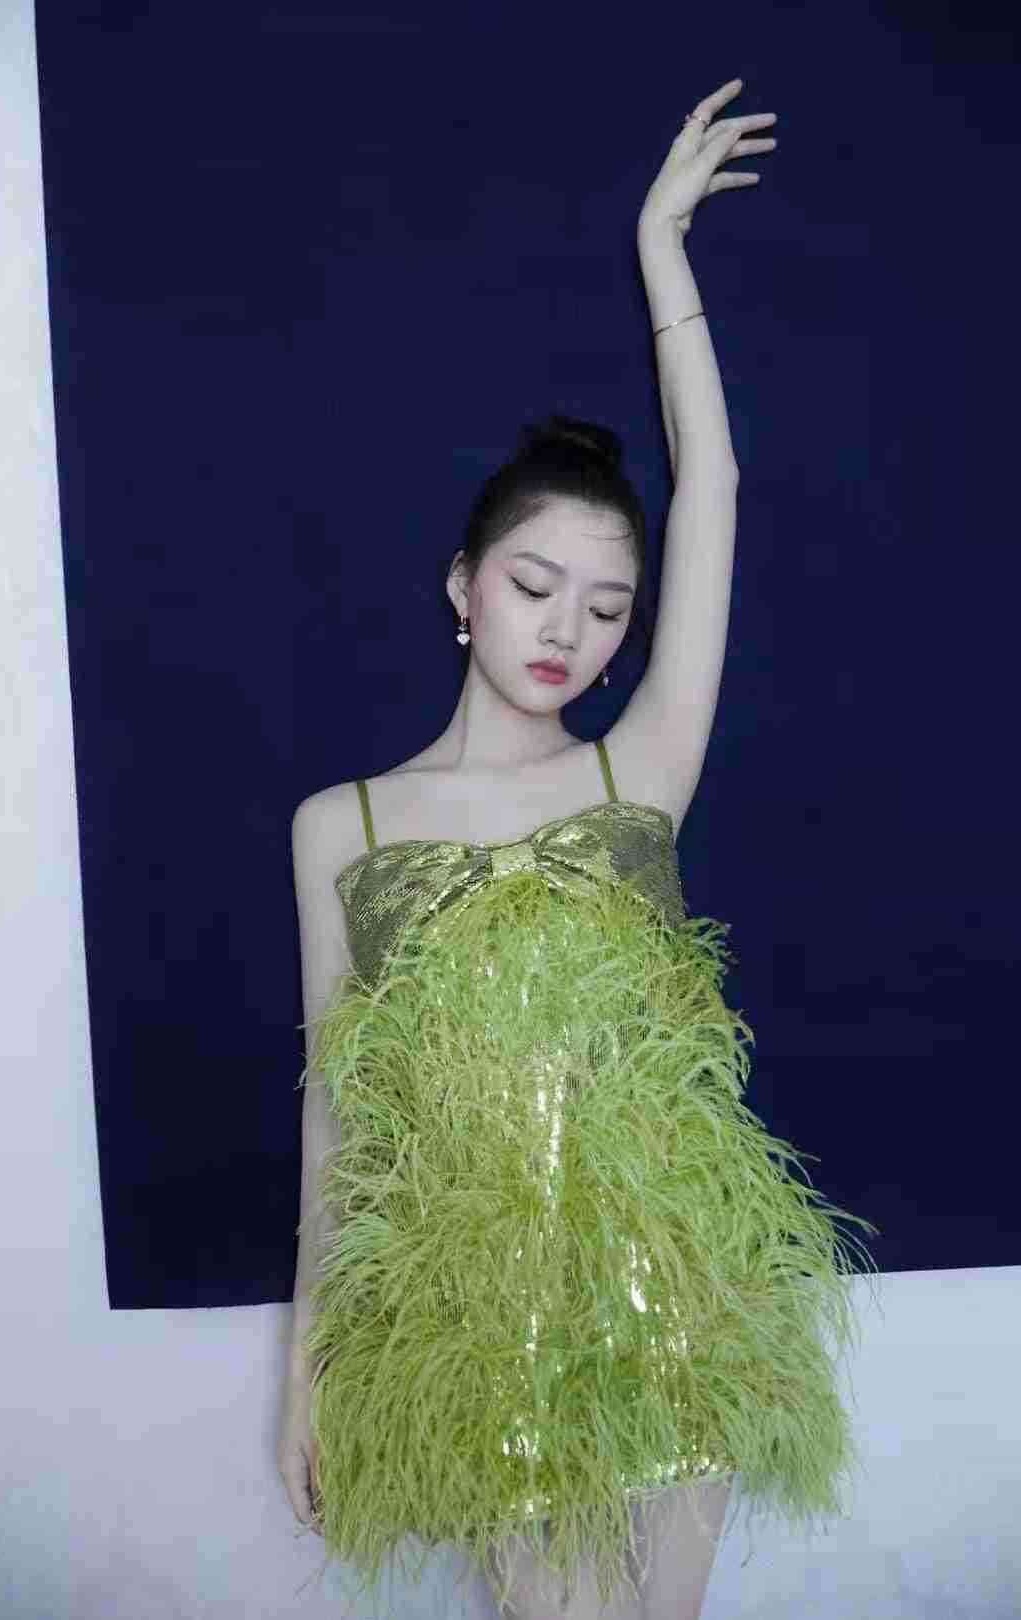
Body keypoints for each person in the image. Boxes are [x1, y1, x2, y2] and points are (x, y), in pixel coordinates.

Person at [280, 77, 879, 1620]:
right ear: (462, 586)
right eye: (535, 586)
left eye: (606, 608)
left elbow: (714, 490)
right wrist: (309, 1377)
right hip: (482, 1327)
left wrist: (659, 251)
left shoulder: (638, 774)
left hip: (672, 1297)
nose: (569, 629)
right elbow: (336, 1124)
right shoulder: (344, 827)